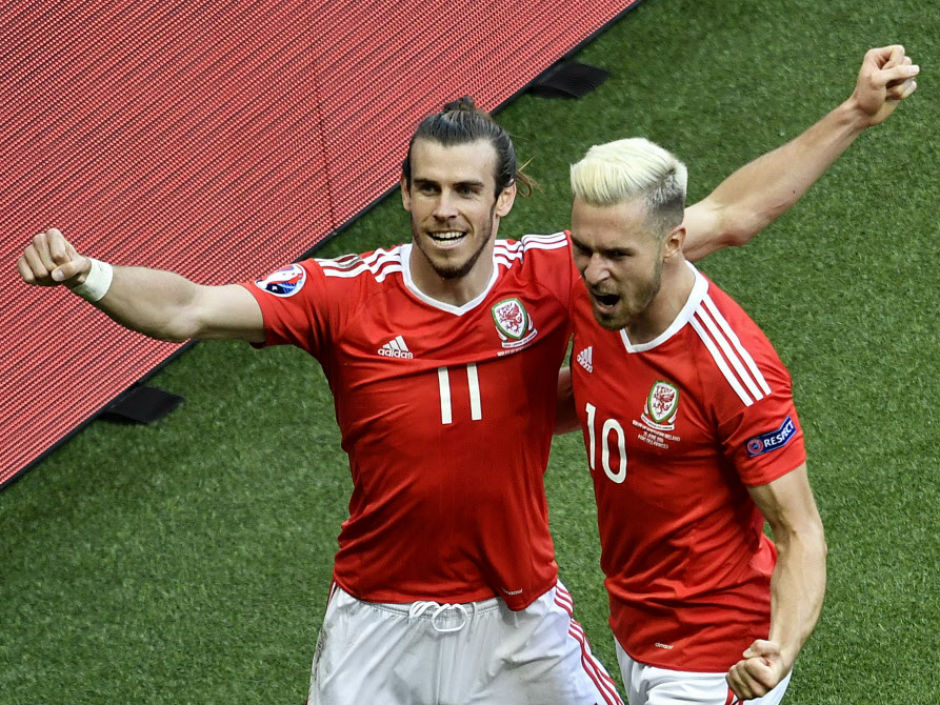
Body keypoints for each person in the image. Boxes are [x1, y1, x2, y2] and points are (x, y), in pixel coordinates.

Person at [16, 45, 917, 705]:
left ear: (505, 196)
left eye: (467, 190)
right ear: (404, 193)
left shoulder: (558, 270)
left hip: (519, 617)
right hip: (376, 616)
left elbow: (728, 212)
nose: (447, 210)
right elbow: (188, 308)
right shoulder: (342, 294)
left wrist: (852, 113)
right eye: (430, 189)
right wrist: (89, 273)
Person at [566, 139, 817, 705]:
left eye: (617, 254)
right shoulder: (601, 297)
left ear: (673, 244)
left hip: (717, 655)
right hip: (635, 631)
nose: (594, 271)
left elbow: (800, 532)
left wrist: (780, 648)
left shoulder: (734, 369)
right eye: (583, 248)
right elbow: (734, 210)